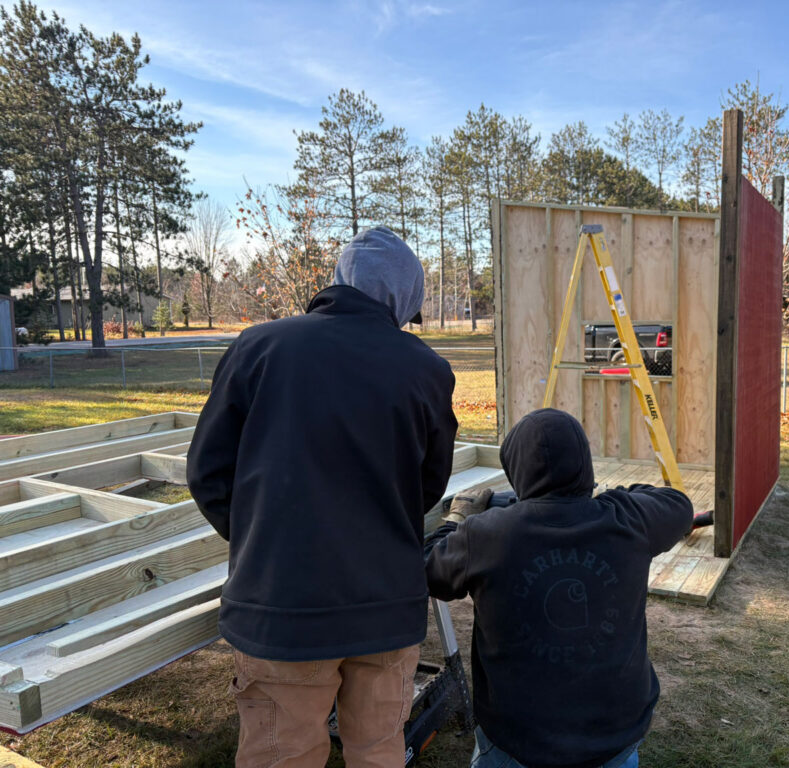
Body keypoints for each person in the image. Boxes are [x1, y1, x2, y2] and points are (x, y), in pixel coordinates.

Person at [187, 226, 458, 768]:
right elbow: (427, 488)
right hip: (385, 609)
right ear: (402, 299)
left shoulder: (257, 348)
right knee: (379, 752)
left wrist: (266, 541)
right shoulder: (426, 369)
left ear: (339, 281)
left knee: (280, 757)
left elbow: (207, 472)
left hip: (281, 608)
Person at [425, 408, 695, 768]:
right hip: (613, 736)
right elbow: (678, 504)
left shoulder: (486, 534)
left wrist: (459, 518)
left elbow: (428, 569)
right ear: (585, 464)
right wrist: (600, 498)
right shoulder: (628, 520)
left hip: (518, 740)